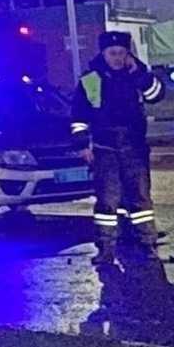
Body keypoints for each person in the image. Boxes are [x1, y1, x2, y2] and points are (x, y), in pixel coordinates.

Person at [71, 32, 165, 266]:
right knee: (107, 201)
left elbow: (156, 95)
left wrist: (140, 72)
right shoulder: (90, 79)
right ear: (103, 53)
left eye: (122, 53)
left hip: (134, 145)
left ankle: (147, 245)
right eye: (113, 53)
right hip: (104, 147)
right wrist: (83, 145)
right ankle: (106, 248)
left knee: (140, 198)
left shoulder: (136, 75)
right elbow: (78, 117)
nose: (117, 58)